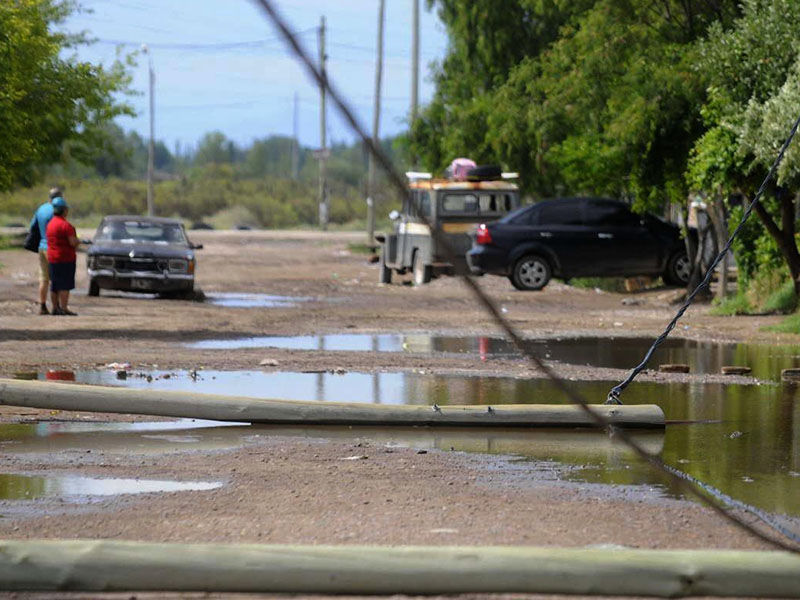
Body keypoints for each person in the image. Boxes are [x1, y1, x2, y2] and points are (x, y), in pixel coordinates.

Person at [45, 197, 80, 316]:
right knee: (65, 284)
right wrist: (78, 242)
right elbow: (72, 242)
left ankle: (55, 308)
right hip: (66, 259)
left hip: (52, 258)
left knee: (54, 284)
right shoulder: (66, 225)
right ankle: (64, 308)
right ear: (64, 210)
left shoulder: (50, 224)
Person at [30, 187, 62, 314]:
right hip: (53, 248)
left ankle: (42, 306)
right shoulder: (56, 210)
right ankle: (56, 307)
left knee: (44, 279)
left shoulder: (41, 209)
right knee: (56, 278)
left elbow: (33, 226)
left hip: (42, 246)